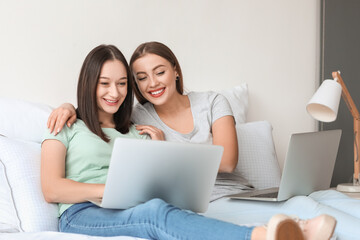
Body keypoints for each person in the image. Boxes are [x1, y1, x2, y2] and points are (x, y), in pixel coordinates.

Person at [41, 44, 336, 240]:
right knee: (155, 213)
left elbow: (155, 183)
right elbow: (51, 189)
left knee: (161, 208)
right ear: (88, 83)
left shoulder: (135, 129)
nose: (114, 92)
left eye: (122, 84)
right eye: (104, 83)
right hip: (80, 214)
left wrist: (156, 151)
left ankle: (296, 228)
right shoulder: (64, 124)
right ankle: (261, 236)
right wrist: (107, 190)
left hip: (126, 206)